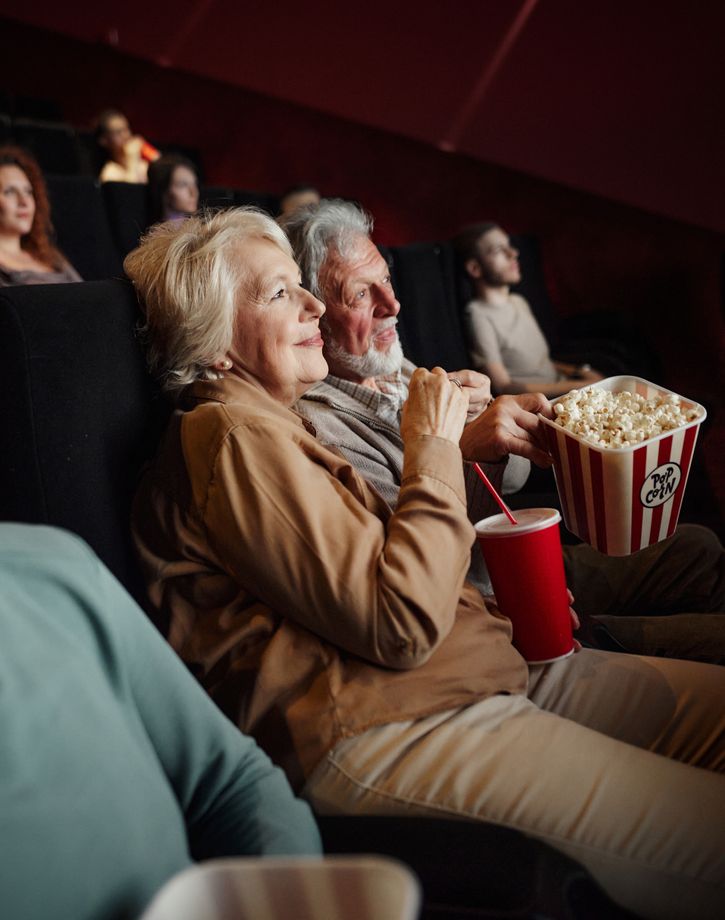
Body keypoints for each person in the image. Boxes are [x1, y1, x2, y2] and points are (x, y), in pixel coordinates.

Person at [124, 208, 725, 920]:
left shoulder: (270, 424)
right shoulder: (226, 434)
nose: (312, 304)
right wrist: (436, 443)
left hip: (477, 673)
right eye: (281, 291)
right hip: (388, 724)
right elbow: (398, 619)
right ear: (215, 341)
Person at [285, 200, 725, 664]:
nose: (392, 305)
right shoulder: (322, 428)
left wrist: (499, 429)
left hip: (508, 555)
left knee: (699, 548)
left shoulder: (395, 370)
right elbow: (425, 568)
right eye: (360, 295)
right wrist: (464, 452)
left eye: (387, 280)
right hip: (489, 605)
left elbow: (508, 484)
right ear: (312, 313)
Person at [0, 522, 321, 920]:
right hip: (333, 722)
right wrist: (424, 469)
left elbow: (231, 783)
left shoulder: (50, 567)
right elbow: (401, 623)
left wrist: (282, 900)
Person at [455, 221, 605, 397]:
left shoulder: (519, 301)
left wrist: (579, 371)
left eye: (509, 246)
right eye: (498, 250)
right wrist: (582, 386)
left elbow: (542, 363)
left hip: (566, 386)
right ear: (475, 268)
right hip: (542, 401)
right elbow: (503, 387)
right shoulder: (478, 314)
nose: (513, 253)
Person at [0, 145, 81, 286]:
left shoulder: (50, 256)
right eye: (10, 192)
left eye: (28, 192)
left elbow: (88, 295)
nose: (24, 202)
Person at [95, 108, 160, 184]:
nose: (125, 135)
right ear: (104, 140)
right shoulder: (109, 173)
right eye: (118, 132)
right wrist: (132, 158)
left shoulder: (143, 164)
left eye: (126, 129)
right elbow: (130, 192)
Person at [147, 153, 200, 225]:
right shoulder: (151, 233)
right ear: (164, 191)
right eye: (182, 185)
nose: (194, 193)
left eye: (194, 184)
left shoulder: (199, 229)